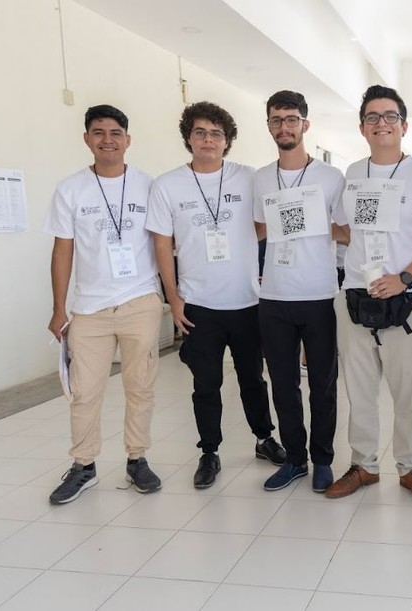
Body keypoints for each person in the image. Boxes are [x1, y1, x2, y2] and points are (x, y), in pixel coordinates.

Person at [146, 101, 285, 490]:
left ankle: (263, 438)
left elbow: (263, 224)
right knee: (205, 384)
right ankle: (209, 451)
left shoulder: (249, 178)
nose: (208, 139)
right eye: (200, 132)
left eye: (216, 133)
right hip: (197, 305)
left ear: (228, 141)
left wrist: (237, 244)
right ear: (188, 138)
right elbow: (161, 245)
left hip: (246, 301)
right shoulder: (168, 185)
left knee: (252, 379)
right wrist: (173, 298)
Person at [326, 85, 412, 505]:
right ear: (362, 128)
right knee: (358, 389)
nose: (382, 123)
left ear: (404, 125)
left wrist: (406, 277)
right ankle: (364, 465)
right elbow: (346, 230)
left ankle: (411, 467)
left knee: (407, 390)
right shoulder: (353, 174)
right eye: (373, 117)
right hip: (355, 294)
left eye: (390, 116)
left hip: (408, 297)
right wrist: (304, 224)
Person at [44, 104, 163, 504]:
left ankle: (137, 459)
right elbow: (63, 251)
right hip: (89, 310)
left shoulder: (150, 186)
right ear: (86, 139)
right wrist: (59, 309)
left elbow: (164, 244)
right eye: (99, 132)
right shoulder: (70, 189)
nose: (107, 139)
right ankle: (83, 465)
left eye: (115, 132)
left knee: (140, 387)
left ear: (128, 140)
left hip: (140, 302)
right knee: (84, 391)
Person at [253, 90, 345, 492]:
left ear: (305, 125)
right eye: (277, 120)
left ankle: (323, 459)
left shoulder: (331, 178)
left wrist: (312, 220)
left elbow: (346, 231)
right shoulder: (260, 178)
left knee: (323, 383)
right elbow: (258, 230)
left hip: (319, 293)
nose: (284, 127)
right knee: (283, 383)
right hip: (273, 295)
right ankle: (294, 459)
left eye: (292, 119)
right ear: (269, 126)